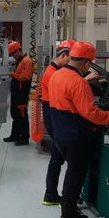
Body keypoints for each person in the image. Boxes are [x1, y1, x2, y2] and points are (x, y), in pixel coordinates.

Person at [48, 41, 109, 218]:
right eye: (90, 63)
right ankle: (68, 217)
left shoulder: (56, 76)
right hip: (76, 136)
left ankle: (69, 209)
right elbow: (89, 112)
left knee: (72, 173)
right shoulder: (78, 82)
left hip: (60, 134)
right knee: (75, 176)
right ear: (85, 63)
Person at [40, 39, 75, 205]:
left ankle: (51, 194)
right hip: (55, 121)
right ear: (64, 55)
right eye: (72, 59)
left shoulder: (54, 71)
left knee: (56, 159)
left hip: (54, 119)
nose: (72, 64)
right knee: (71, 162)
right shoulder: (53, 73)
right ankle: (62, 198)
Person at [3, 41, 33, 145]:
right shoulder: (20, 61)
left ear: (17, 51)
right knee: (15, 114)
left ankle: (24, 138)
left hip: (21, 94)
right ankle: (15, 135)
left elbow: (26, 77)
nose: (13, 56)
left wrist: (14, 74)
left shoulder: (27, 61)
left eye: (12, 54)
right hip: (16, 93)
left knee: (22, 115)